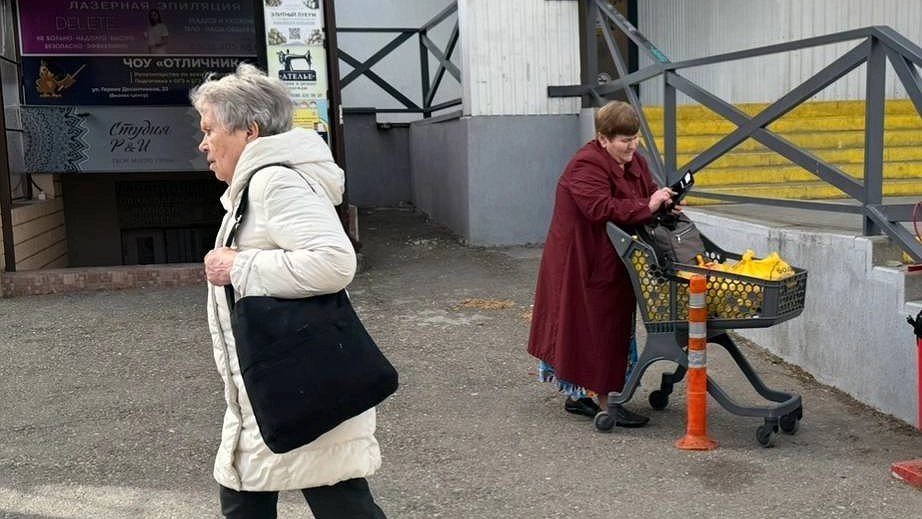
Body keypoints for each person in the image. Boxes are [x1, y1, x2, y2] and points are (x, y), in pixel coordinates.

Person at [191, 63, 387, 519]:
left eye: (209, 130)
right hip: (278, 388)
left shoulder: (274, 181)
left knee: (320, 498)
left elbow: (335, 262)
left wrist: (241, 265)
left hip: (290, 386)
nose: (203, 143)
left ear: (249, 132)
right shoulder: (256, 185)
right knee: (252, 495)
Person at [527, 100, 677, 428]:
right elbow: (599, 207)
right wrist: (646, 205)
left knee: (604, 325)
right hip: (580, 258)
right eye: (624, 140)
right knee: (594, 327)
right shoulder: (585, 164)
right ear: (603, 138)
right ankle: (608, 401)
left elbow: (646, 193)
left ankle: (582, 395)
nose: (632, 145)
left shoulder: (633, 160)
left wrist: (664, 202)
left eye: (635, 138)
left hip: (611, 255)